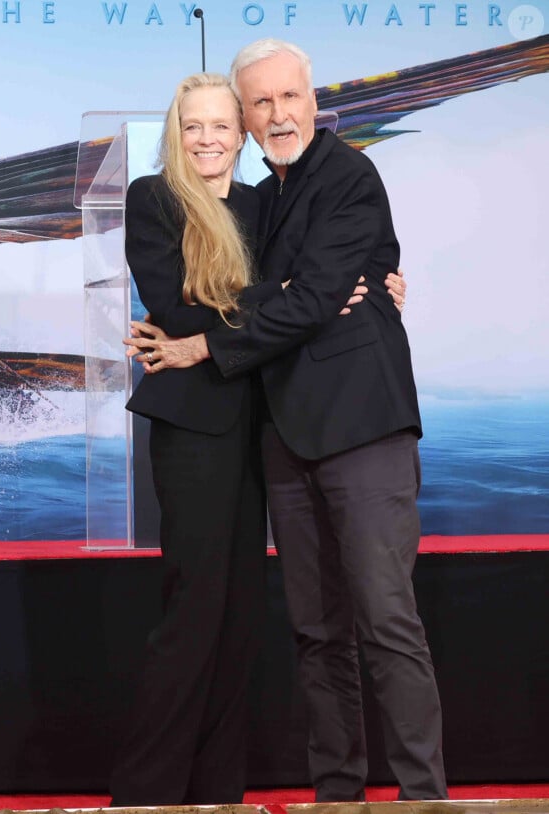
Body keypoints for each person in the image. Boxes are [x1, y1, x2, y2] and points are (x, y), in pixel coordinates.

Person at [126, 40, 447, 803]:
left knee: (363, 620)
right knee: (279, 625)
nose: (274, 115)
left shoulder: (322, 182)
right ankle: (301, 792)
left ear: (311, 102)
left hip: (326, 427)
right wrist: (300, 296)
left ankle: (418, 797)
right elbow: (260, 297)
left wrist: (358, 284)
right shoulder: (210, 198)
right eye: (258, 104)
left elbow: (312, 293)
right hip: (251, 433)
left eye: (285, 99)